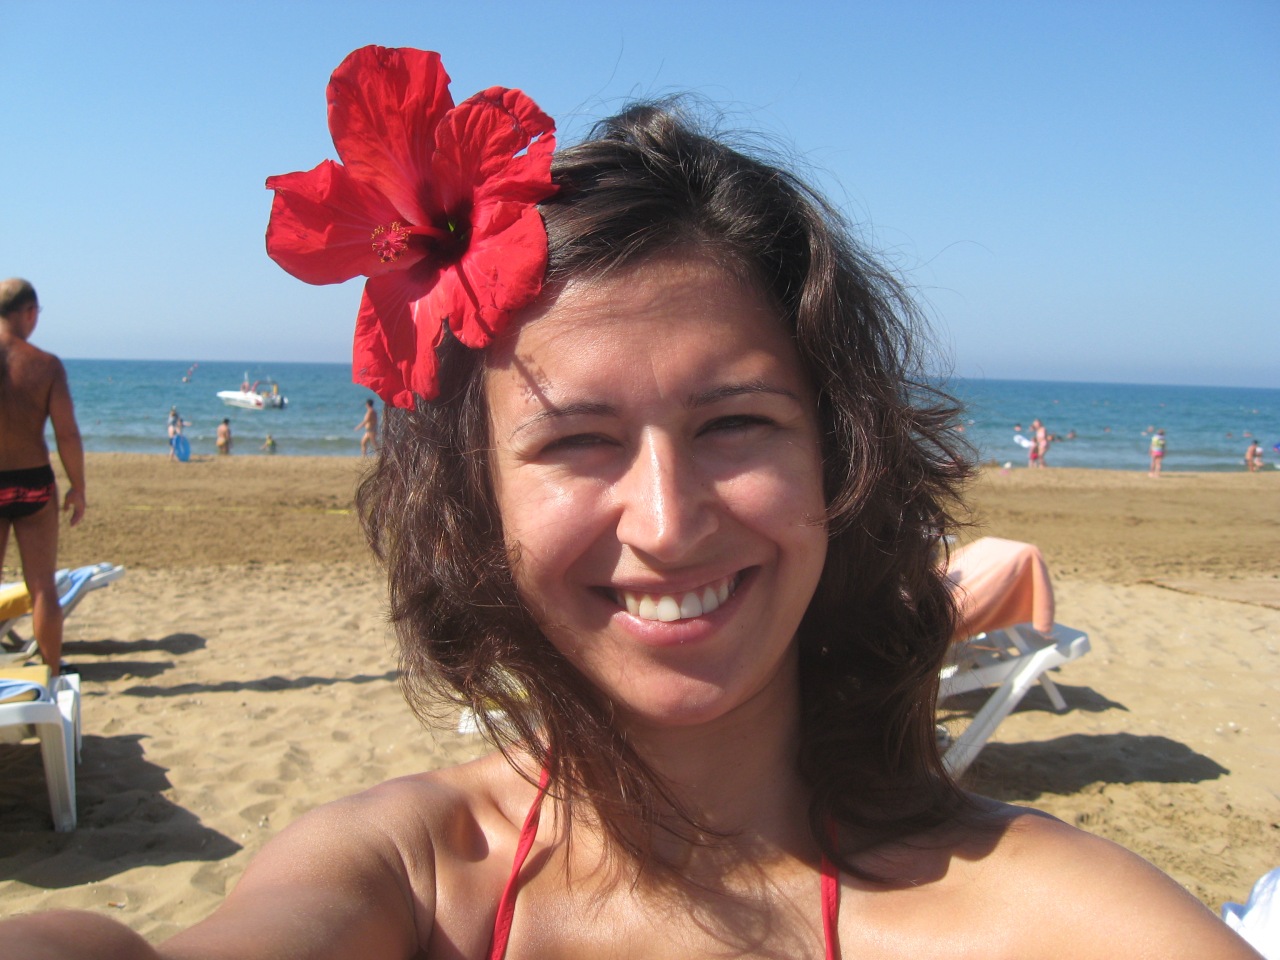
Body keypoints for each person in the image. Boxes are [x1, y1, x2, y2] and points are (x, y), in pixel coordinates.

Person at [3, 47, 1256, 959]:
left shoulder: (1043, 917)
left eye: (735, 423)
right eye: (575, 440)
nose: (665, 522)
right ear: (476, 501)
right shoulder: (408, 878)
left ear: (840, 456)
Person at [0, 279, 86, 676]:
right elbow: (67, 433)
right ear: (29, 312)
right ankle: (51, 672)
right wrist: (77, 487)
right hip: (33, 483)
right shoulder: (46, 365)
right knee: (42, 587)